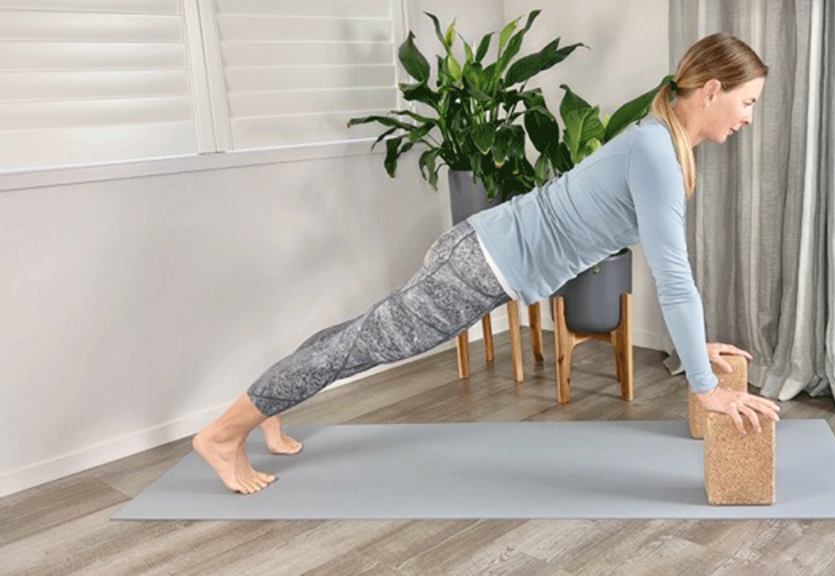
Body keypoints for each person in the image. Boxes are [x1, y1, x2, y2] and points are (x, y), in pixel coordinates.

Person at [193, 32, 781, 494]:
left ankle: (269, 409)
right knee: (365, 343)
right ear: (710, 89)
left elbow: (669, 269)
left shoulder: (659, 142)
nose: (749, 117)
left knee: (361, 333)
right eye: (747, 101)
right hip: (481, 265)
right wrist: (704, 390)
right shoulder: (656, 150)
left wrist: (694, 344)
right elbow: (674, 276)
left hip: (483, 251)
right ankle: (223, 434)